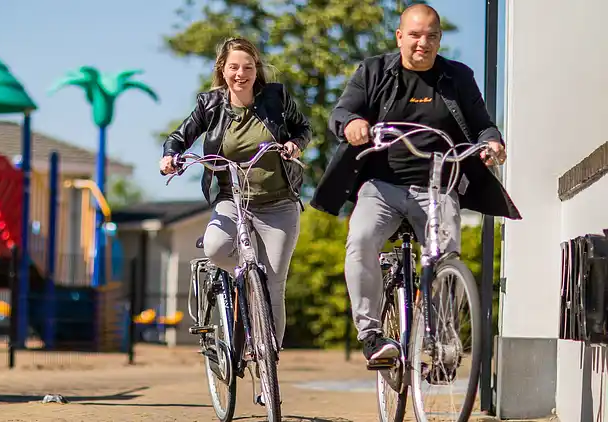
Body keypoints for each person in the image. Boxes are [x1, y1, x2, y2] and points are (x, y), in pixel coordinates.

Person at [310, 4, 521, 366]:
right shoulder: (373, 71)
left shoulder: (457, 77)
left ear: (439, 40)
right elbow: (341, 112)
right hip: (382, 185)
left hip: (439, 184)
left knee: (447, 255)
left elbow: (482, 123)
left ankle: (442, 342)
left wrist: (492, 142)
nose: (423, 43)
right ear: (400, 36)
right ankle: (372, 336)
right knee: (360, 240)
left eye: (432, 36)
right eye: (415, 35)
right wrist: (352, 124)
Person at [159, 37, 311, 403]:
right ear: (222, 71)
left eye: (247, 67)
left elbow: (302, 128)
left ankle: (266, 370)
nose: (240, 73)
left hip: (278, 204)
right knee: (215, 248)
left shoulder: (276, 98)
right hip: (233, 200)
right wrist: (171, 156)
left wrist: (294, 145)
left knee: (274, 284)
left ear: (256, 69)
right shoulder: (209, 105)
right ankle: (239, 278)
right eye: (233, 67)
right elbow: (180, 137)